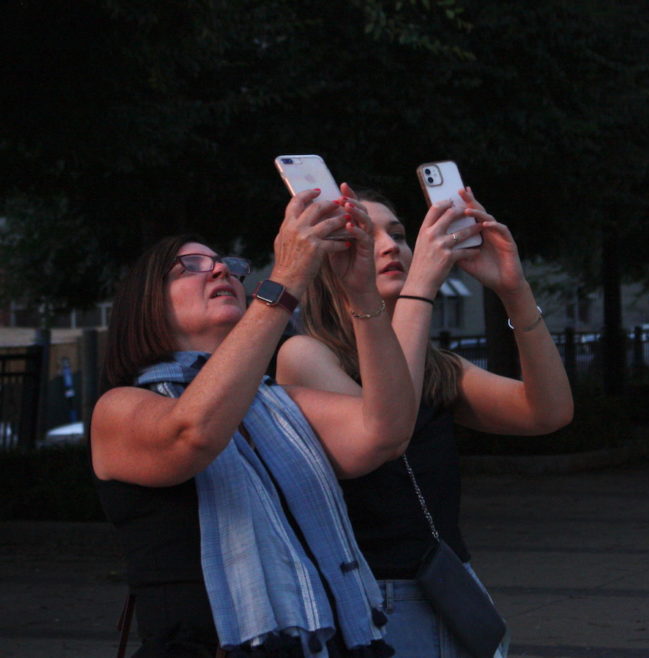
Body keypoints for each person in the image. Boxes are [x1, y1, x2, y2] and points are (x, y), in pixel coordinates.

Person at [90, 187, 418, 657]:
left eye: (226, 263)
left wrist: (361, 292)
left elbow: (386, 432)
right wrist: (285, 277)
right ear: (146, 303)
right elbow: (193, 433)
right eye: (191, 266)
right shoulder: (119, 408)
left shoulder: (276, 406)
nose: (222, 268)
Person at [276, 187, 574, 657]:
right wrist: (421, 290)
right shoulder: (305, 354)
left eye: (397, 233)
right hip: (378, 598)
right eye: (365, 237)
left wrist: (514, 291)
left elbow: (548, 412)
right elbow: (385, 431)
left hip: (451, 584)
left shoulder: (437, 366)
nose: (391, 245)